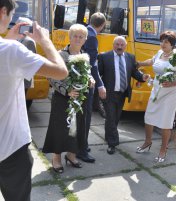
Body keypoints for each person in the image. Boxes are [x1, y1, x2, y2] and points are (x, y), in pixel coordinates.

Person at [0, 0, 68, 201]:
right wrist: (44, 40)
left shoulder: (9, 49)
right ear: (3, 12)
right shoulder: (11, 51)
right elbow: (61, 72)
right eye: (10, 15)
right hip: (10, 149)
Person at [42, 24, 94, 172]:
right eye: (75, 36)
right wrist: (67, 90)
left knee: (76, 128)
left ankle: (71, 155)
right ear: (70, 37)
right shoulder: (60, 55)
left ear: (85, 39)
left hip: (79, 98)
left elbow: (87, 73)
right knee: (59, 128)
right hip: (62, 98)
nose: (78, 39)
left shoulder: (85, 55)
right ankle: (56, 158)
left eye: (81, 36)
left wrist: (90, 80)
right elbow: (50, 76)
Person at [136, 31, 176, 162]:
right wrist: (139, 63)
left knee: (166, 121)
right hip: (157, 89)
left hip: (171, 92)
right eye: (162, 41)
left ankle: (163, 150)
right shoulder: (160, 53)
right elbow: (151, 61)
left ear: (172, 45)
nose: (163, 44)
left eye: (166, 42)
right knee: (148, 116)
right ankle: (147, 142)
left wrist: (172, 83)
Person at [98, 36, 148, 154]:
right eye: (117, 44)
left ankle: (108, 136)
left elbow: (134, 72)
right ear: (113, 45)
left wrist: (142, 77)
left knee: (115, 117)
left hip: (122, 93)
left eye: (122, 45)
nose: (119, 47)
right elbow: (98, 74)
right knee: (110, 117)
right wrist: (99, 88)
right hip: (109, 93)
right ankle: (112, 143)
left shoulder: (130, 57)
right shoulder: (104, 57)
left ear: (125, 46)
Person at [78, 12, 106, 163]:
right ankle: (81, 149)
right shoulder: (92, 37)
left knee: (82, 115)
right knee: (85, 116)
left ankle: (82, 144)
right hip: (87, 82)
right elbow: (92, 65)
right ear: (102, 25)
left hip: (79, 80)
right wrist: (100, 84)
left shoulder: (83, 32)